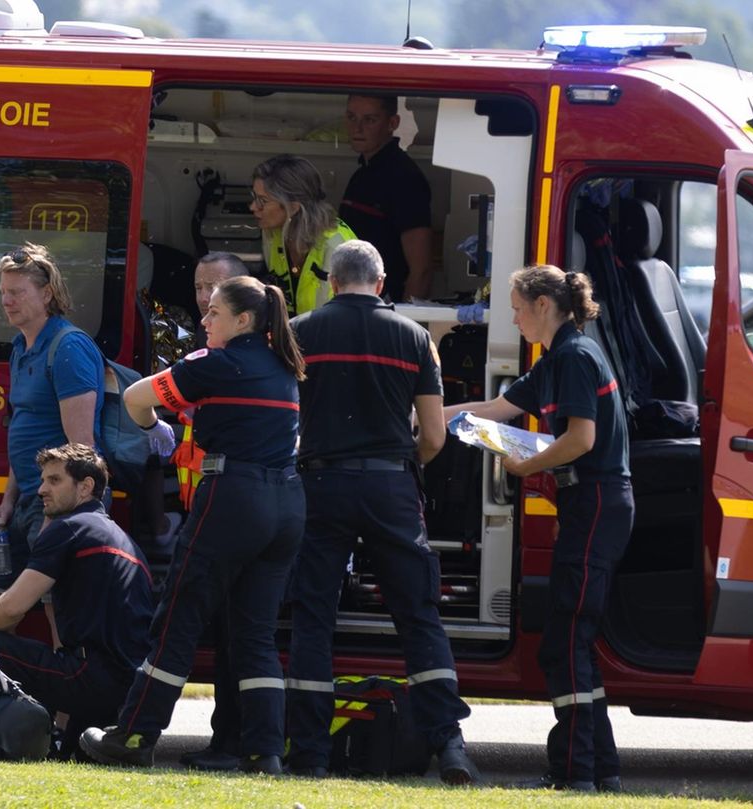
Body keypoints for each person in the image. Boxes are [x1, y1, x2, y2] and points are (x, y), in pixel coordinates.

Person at [79, 275, 306, 773]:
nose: (203, 320)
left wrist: (153, 428)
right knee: (255, 633)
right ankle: (262, 748)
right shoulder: (284, 365)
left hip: (233, 497)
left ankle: (135, 734)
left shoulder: (216, 363)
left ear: (243, 321)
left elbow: (138, 398)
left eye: (215, 314)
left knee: (176, 619)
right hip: (287, 503)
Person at [286, 240, 478, 783]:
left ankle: (310, 754)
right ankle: (449, 744)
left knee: (313, 616)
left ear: (330, 280)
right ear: (381, 280)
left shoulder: (300, 331)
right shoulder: (414, 337)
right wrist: (400, 464)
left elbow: (288, 418)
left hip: (319, 485)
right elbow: (435, 435)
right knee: (419, 617)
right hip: (391, 487)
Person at [445, 264, 632, 792]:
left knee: (566, 639)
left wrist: (528, 466)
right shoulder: (557, 359)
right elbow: (495, 409)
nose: (514, 316)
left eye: (518, 307)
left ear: (544, 306)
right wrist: (428, 417)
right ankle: (600, 769)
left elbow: (580, 440)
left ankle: (577, 773)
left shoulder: (573, 357)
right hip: (588, 504)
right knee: (572, 639)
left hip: (596, 499)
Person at [0, 444, 154, 755]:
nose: (41, 489)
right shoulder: (122, 538)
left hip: (91, 677)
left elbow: (9, 610)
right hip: (130, 688)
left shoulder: (68, 528)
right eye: (43, 480)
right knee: (71, 756)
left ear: (85, 486)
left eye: (54, 481)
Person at [0, 243, 105, 624]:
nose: (6, 301)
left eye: (16, 292)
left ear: (46, 293)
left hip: (57, 503)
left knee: (58, 610)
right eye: (3, 292)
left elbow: (82, 449)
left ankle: (67, 681)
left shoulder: (68, 347)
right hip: (27, 502)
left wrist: (58, 516)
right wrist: (7, 502)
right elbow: (24, 430)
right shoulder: (21, 347)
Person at [174, 250, 253, 772]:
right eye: (200, 288)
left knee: (230, 636)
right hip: (203, 510)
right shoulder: (212, 354)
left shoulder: (238, 361)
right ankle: (233, 739)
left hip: (228, 517)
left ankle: (233, 741)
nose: (203, 301)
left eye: (215, 292)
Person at [339, 94, 435, 303]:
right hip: (354, 301)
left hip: (384, 306)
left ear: (393, 123)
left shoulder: (404, 178)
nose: (358, 128)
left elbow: (422, 269)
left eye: (369, 120)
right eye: (351, 117)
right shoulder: (362, 174)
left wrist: (403, 321)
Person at [252, 154, 356, 317]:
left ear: (293, 208)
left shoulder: (338, 246)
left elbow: (354, 316)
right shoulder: (273, 235)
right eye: (254, 198)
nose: (253, 207)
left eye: (262, 201)